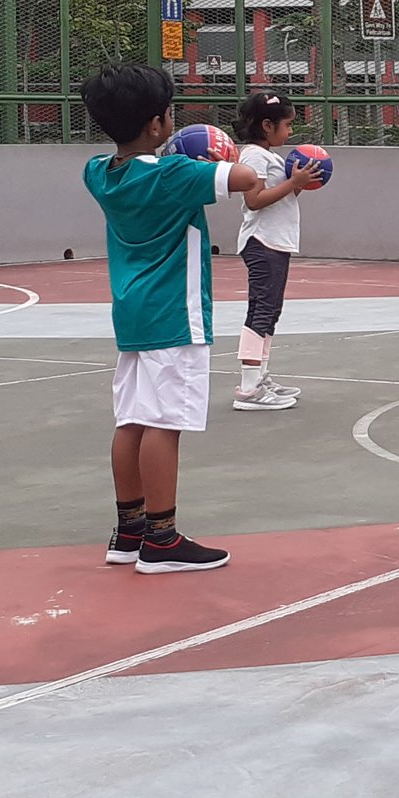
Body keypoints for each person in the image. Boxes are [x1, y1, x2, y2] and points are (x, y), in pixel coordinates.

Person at [79, 64, 262, 574]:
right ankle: (161, 539)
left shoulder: (98, 172)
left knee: (132, 418)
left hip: (133, 314)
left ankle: (128, 531)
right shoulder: (175, 176)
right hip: (175, 316)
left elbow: (138, 160)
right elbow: (248, 177)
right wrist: (225, 149)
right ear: (158, 124)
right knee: (166, 423)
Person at [230, 91, 323, 411]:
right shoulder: (254, 156)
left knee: (271, 311)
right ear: (267, 126)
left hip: (276, 242)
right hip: (262, 242)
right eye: (288, 124)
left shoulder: (268, 155)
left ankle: (260, 376)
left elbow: (282, 196)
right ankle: (248, 387)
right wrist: (291, 181)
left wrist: (300, 181)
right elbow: (253, 200)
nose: (291, 131)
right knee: (261, 310)